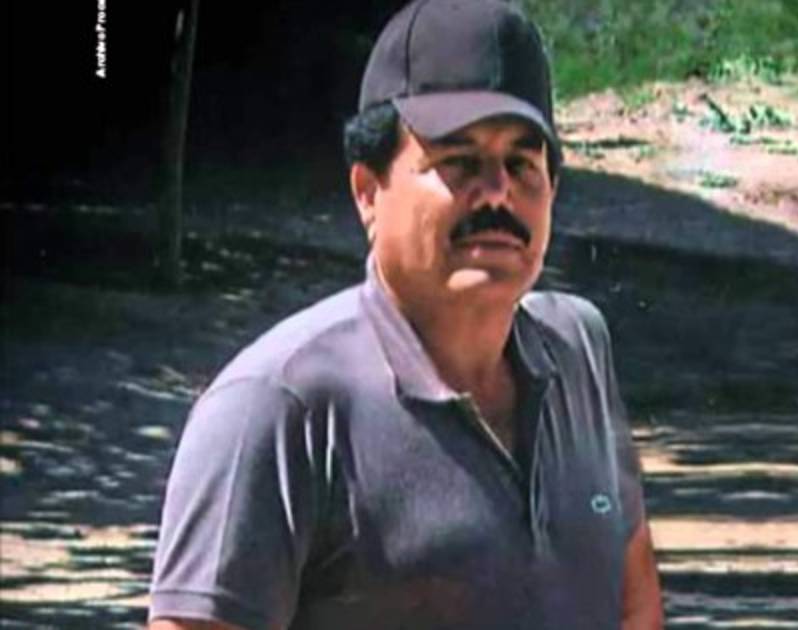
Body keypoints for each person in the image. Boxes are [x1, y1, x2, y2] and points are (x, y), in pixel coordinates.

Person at [145, 1, 664, 628]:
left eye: (522, 164)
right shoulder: (279, 408)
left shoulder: (577, 351)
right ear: (367, 191)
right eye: (459, 161)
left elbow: (633, 601)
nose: (497, 192)